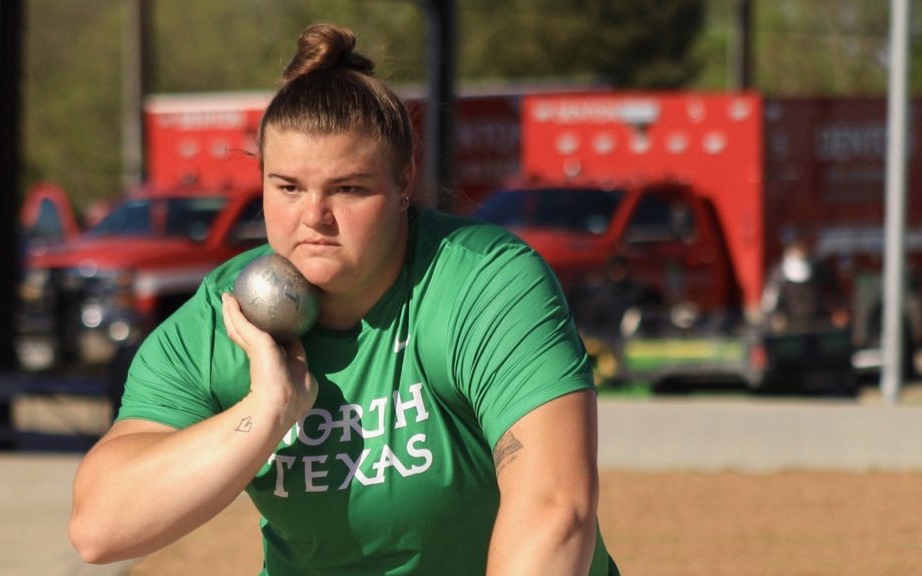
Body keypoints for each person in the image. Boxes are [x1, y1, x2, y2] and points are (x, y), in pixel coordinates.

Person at [69, 23, 617, 575]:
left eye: (347, 188)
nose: (314, 218)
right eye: (287, 187)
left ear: (404, 182)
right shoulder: (226, 316)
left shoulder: (482, 282)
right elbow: (100, 527)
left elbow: (554, 511)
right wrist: (266, 411)